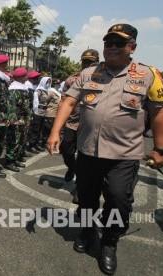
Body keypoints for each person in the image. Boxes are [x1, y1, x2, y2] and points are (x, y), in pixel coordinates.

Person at [47, 23, 163, 275]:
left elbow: (157, 113)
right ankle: (89, 230)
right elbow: (69, 101)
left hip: (124, 155)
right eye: (108, 43)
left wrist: (159, 149)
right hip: (89, 151)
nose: (111, 48)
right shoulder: (89, 73)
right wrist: (55, 131)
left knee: (118, 200)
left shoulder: (149, 75)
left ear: (131, 47)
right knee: (87, 197)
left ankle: (110, 242)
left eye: (118, 43)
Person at [59, 49, 99, 204]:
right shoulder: (72, 80)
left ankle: (79, 188)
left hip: (89, 126)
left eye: (92, 61)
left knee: (85, 158)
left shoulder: (104, 80)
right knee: (66, 149)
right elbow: (63, 102)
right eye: (85, 61)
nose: (88, 64)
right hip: (72, 123)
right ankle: (72, 167)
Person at [4, 67, 29, 172]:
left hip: (23, 118)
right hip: (16, 119)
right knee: (14, 140)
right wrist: (14, 122)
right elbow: (12, 106)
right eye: (24, 76)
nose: (26, 77)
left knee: (21, 140)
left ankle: (15, 158)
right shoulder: (14, 89)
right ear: (19, 77)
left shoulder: (23, 88)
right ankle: (9, 161)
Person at [27, 76, 52, 153]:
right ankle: (31, 145)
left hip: (43, 113)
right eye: (47, 82)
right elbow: (35, 102)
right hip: (37, 113)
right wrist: (35, 111)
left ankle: (37, 144)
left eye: (49, 82)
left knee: (40, 130)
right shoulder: (39, 90)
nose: (48, 84)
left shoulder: (46, 91)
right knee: (35, 130)